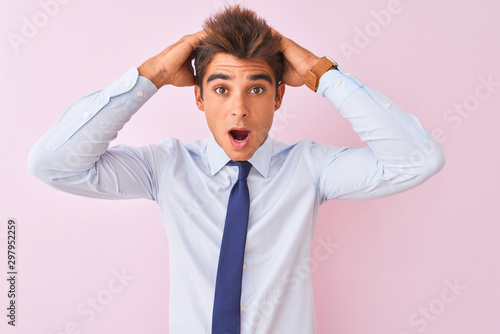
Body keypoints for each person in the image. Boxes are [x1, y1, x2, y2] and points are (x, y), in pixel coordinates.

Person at [28, 5, 445, 334]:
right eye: (221, 88)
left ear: (279, 96)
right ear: (199, 97)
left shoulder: (310, 167)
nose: (239, 108)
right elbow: (53, 164)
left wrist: (322, 74)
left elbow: (418, 159)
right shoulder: (165, 167)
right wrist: (151, 75)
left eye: (257, 89)